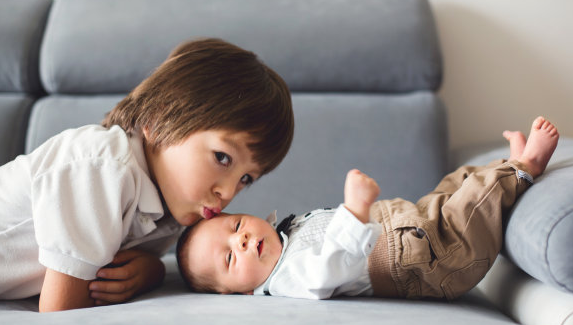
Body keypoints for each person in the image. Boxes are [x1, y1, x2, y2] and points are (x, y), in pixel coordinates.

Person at [0, 38, 294, 312]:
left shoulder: (171, 206)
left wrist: (150, 271)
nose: (228, 193)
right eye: (222, 157)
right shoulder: (103, 168)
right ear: (162, 116)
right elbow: (62, 312)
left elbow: (131, 264)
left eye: (246, 179)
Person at [176, 116, 558, 300]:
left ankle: (504, 166)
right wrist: (355, 210)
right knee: (470, 208)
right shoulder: (287, 280)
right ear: (236, 293)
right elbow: (326, 272)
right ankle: (525, 168)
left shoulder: (283, 235)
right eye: (229, 258)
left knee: (454, 185)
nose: (241, 239)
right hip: (424, 264)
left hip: (412, 229)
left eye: (237, 225)